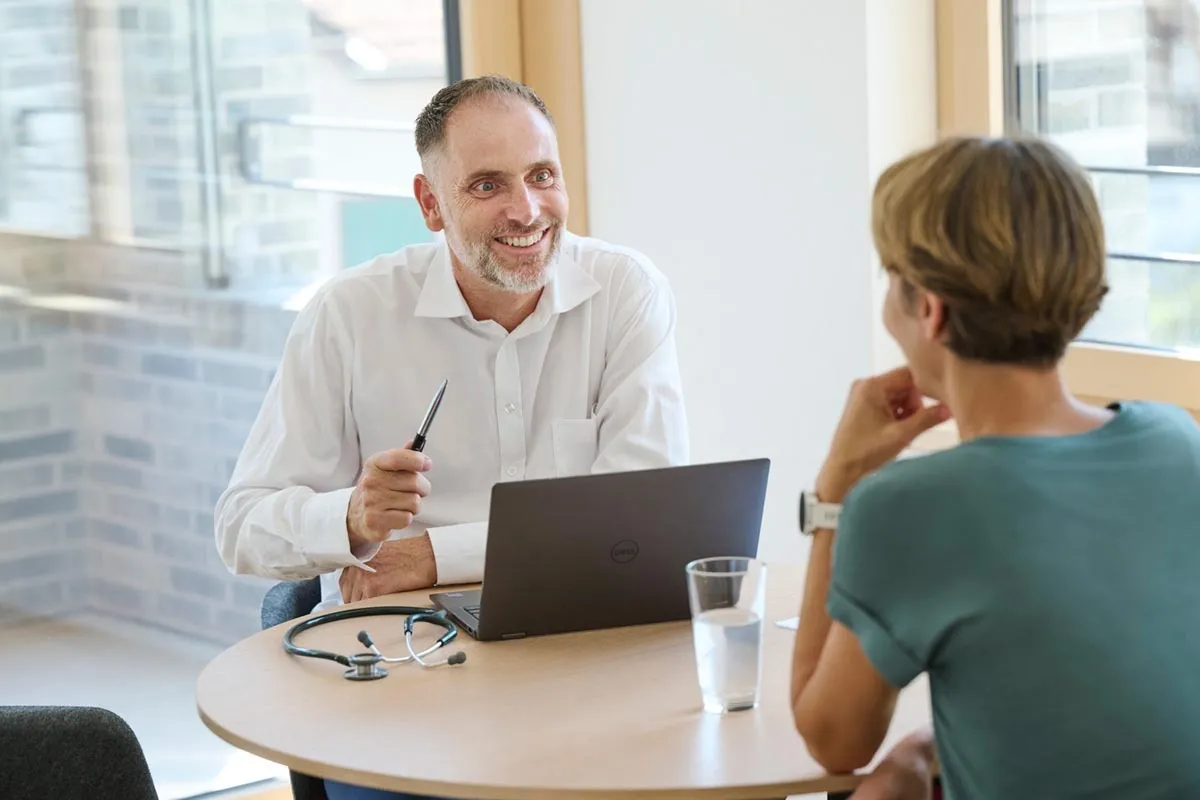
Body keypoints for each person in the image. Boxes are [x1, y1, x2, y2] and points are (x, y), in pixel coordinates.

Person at [214, 75, 689, 800]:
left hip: (584, 665)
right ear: (431, 204)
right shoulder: (349, 315)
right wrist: (352, 518)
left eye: (542, 176)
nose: (526, 210)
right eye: (488, 185)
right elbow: (240, 528)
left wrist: (431, 553)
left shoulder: (626, 291)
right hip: (401, 684)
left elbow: (639, 517)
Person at [789, 135, 1200, 799]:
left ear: (930, 309)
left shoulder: (910, 507)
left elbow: (833, 740)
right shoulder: (1178, 439)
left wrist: (838, 484)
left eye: (890, 279)